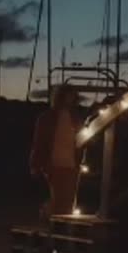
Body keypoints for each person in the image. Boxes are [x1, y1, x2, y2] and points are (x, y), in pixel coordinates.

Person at [30, 86, 81, 221]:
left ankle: (57, 220)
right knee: (59, 197)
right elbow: (39, 142)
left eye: (72, 96)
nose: (70, 99)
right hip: (53, 163)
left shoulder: (75, 117)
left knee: (68, 198)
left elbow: (80, 140)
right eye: (68, 95)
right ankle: (52, 219)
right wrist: (35, 164)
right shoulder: (46, 118)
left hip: (71, 163)